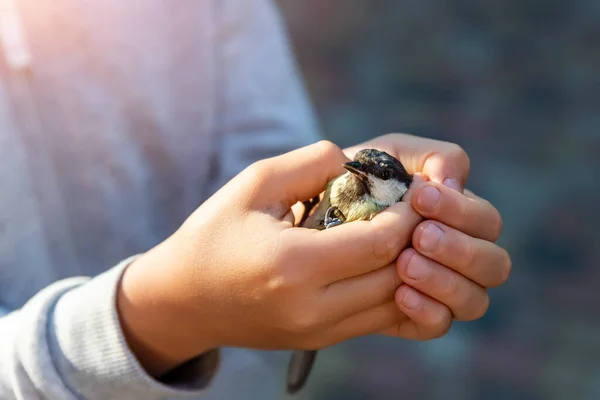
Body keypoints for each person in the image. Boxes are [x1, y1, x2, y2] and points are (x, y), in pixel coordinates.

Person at [0, 0, 511, 399]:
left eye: (369, 172)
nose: (355, 174)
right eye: (356, 170)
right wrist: (177, 310)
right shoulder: (348, 193)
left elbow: (274, 160)